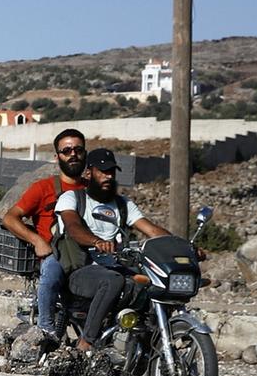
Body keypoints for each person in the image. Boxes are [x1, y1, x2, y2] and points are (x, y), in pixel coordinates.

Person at [55, 148, 174, 350]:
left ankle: (147, 346)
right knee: (113, 280)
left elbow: (151, 229)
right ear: (88, 173)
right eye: (102, 171)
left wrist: (181, 247)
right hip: (81, 270)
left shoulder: (122, 204)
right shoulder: (72, 198)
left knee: (156, 283)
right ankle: (86, 343)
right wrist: (96, 241)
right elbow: (73, 228)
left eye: (111, 171)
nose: (108, 176)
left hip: (115, 266)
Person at [0, 128, 89, 337]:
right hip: (58, 253)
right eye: (67, 150)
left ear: (85, 153)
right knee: (50, 276)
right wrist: (38, 241)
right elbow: (10, 217)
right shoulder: (43, 188)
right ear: (57, 156)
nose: (73, 154)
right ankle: (45, 331)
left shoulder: (94, 189)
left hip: (90, 251)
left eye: (78, 149)